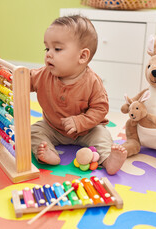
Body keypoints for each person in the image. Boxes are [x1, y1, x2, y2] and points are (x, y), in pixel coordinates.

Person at [30, 15, 127, 175]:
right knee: (33, 131)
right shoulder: (43, 74)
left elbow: (100, 108)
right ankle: (49, 154)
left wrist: (80, 121)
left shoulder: (92, 82)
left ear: (82, 56)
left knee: (102, 135)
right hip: (53, 127)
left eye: (57, 49)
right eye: (47, 48)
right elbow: (24, 79)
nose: (48, 54)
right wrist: (12, 77)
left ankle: (108, 160)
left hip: (87, 130)